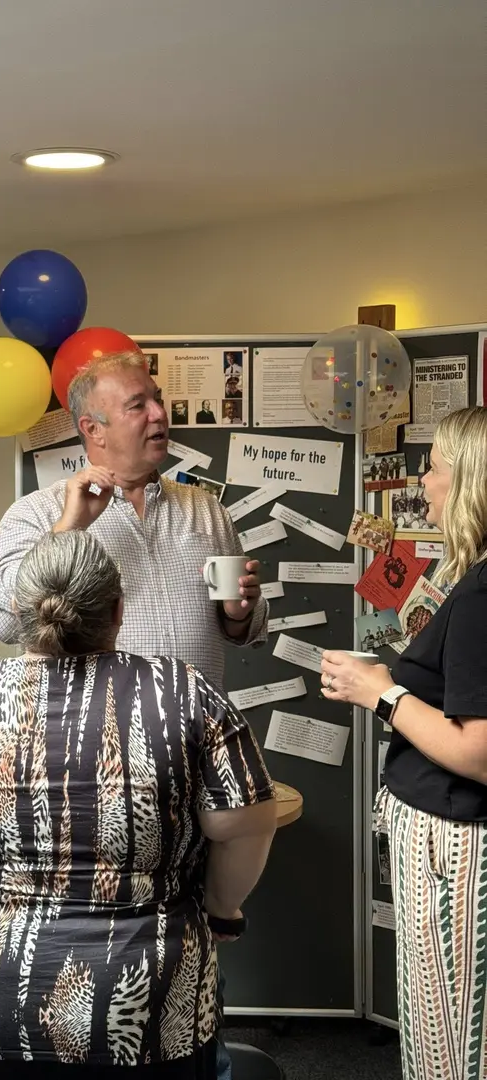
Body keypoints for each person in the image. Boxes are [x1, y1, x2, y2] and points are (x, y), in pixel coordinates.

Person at [0, 531, 277, 1080]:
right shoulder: (181, 692)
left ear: (20, 611)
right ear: (118, 611)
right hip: (148, 1005)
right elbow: (242, 818)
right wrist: (221, 908)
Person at [320, 406, 487, 1080]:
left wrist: (381, 694)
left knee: (451, 1033)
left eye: (435, 467)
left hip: (457, 843)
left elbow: (478, 750)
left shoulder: (481, 594)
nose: (423, 480)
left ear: (471, 481)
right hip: (454, 838)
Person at [0, 351, 268, 689]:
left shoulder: (206, 509)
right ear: (94, 429)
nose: (160, 414)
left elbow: (242, 631)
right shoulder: (36, 512)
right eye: (137, 406)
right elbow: (2, 620)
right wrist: (68, 529)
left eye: (157, 399)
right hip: (96, 736)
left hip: (196, 734)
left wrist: (238, 614)